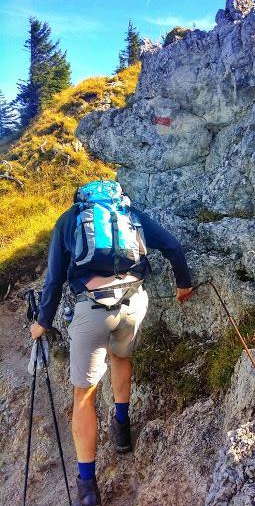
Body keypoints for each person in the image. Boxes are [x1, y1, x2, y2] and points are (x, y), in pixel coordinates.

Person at [30, 180, 193, 506]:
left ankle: (88, 487)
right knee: (121, 359)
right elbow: (173, 246)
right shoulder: (129, 214)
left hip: (91, 309)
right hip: (133, 305)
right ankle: (121, 428)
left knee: (84, 395)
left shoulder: (71, 219)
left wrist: (42, 323)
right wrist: (184, 285)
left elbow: (54, 278)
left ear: (81, 200)